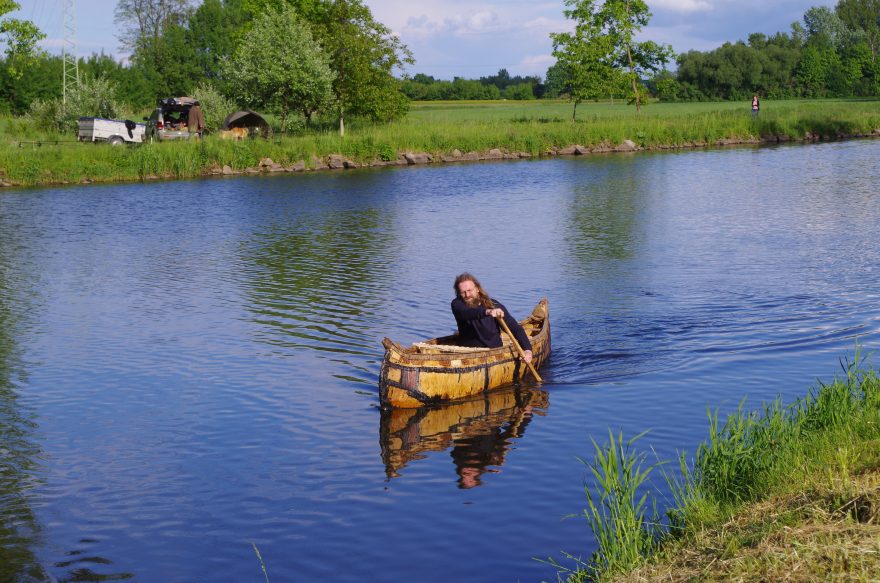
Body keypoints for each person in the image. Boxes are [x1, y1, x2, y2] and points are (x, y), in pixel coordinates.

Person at [451, 272, 532, 363]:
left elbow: (515, 328)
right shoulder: (457, 304)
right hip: (467, 355)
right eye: (463, 292)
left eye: (470, 290)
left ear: (477, 289)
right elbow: (467, 313)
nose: (467, 295)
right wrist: (487, 312)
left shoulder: (494, 305)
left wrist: (527, 350)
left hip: (495, 354)